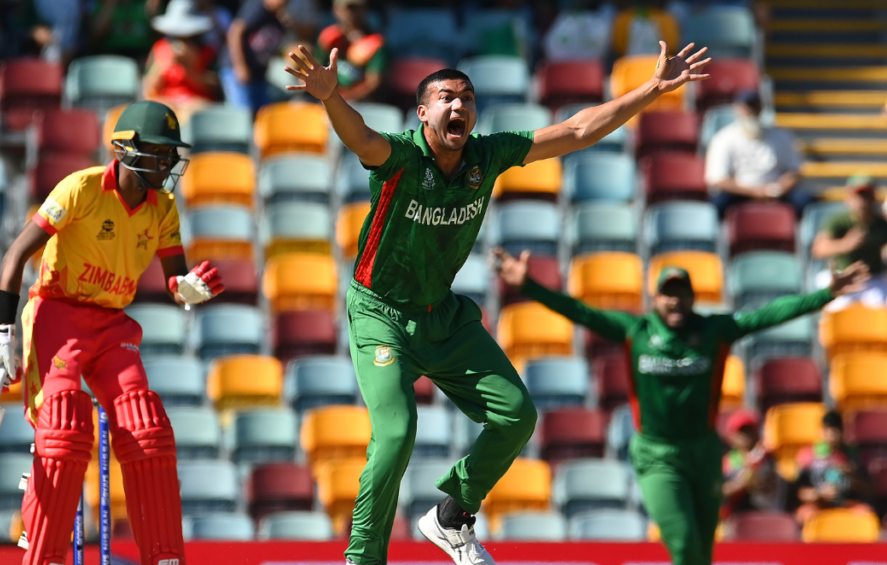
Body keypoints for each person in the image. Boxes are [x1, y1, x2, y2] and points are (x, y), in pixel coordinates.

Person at [284, 39, 712, 565]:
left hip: (441, 316)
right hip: (380, 314)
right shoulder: (401, 156)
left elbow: (577, 131)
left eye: (467, 97)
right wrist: (331, 99)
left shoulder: (487, 155)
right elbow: (363, 140)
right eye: (446, 97)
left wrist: (650, 89)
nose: (459, 105)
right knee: (396, 435)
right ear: (423, 113)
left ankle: (452, 515)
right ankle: (363, 560)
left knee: (516, 415)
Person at [494, 250, 868, 565]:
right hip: (657, 455)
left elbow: (768, 314)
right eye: (667, 294)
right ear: (655, 298)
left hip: (703, 452)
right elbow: (581, 313)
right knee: (685, 542)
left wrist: (825, 294)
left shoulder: (713, 331)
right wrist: (529, 285)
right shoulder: (636, 332)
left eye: (682, 293)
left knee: (702, 553)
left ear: (693, 296)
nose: (675, 301)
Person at [0, 101, 225, 565]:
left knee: (146, 427)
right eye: (158, 152)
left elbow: (175, 280)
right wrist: (6, 333)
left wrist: (188, 290)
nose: (168, 163)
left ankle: (165, 558)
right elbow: (15, 257)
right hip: (55, 314)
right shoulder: (83, 188)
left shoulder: (163, 208)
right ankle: (45, 557)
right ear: (122, 148)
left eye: (172, 154)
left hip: (112, 325)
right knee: (64, 430)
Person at [706, 90, 810, 217]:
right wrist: (755, 192)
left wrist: (780, 189)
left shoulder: (782, 135)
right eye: (746, 107)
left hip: (776, 190)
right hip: (740, 192)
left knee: (804, 200)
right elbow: (718, 179)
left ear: (761, 108)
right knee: (718, 203)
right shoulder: (724, 138)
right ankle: (722, 235)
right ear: (737, 109)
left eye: (754, 106)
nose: (751, 111)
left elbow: (795, 171)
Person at [812, 175, 887, 311]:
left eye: (867, 196)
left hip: (872, 279)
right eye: (858, 196)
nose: (863, 201)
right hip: (842, 277)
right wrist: (844, 244)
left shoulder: (881, 224)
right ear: (849, 198)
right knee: (832, 308)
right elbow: (818, 249)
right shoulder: (838, 221)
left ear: (874, 197)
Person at [144, 0, 221, 125]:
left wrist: (190, 70)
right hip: (167, 102)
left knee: (191, 114)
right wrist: (163, 67)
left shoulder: (208, 51)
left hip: (197, 104)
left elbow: (217, 87)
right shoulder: (159, 49)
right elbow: (148, 89)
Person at [795, 410, 877, 525]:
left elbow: (871, 489)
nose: (833, 435)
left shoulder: (852, 456)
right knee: (806, 515)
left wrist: (853, 478)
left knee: (866, 515)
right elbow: (799, 492)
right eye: (828, 429)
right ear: (821, 431)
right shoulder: (808, 456)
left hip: (847, 503)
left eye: (836, 430)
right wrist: (820, 494)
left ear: (842, 431)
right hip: (819, 504)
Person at [222, 0, 289, 113]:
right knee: (244, 116)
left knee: (263, 116)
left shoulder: (278, 18)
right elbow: (235, 32)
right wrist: (240, 66)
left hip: (258, 76)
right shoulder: (257, 6)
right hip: (237, 70)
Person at [315, 0, 387, 102]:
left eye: (354, 8)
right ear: (335, 10)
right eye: (346, 8)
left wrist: (342, 98)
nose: (350, 12)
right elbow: (317, 68)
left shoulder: (376, 42)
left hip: (358, 101)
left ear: (364, 9)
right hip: (327, 95)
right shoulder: (328, 36)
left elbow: (372, 84)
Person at [721, 410, 784, 518]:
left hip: (763, 513)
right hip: (735, 514)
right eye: (741, 431)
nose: (746, 435)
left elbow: (757, 483)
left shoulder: (765, 456)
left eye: (749, 430)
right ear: (731, 436)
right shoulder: (728, 461)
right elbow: (719, 489)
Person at [89, 0, 158, 60]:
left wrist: (153, 13)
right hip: (111, 55)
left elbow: (158, 38)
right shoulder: (104, 4)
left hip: (142, 55)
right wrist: (110, 5)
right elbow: (95, 37)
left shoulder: (147, 3)